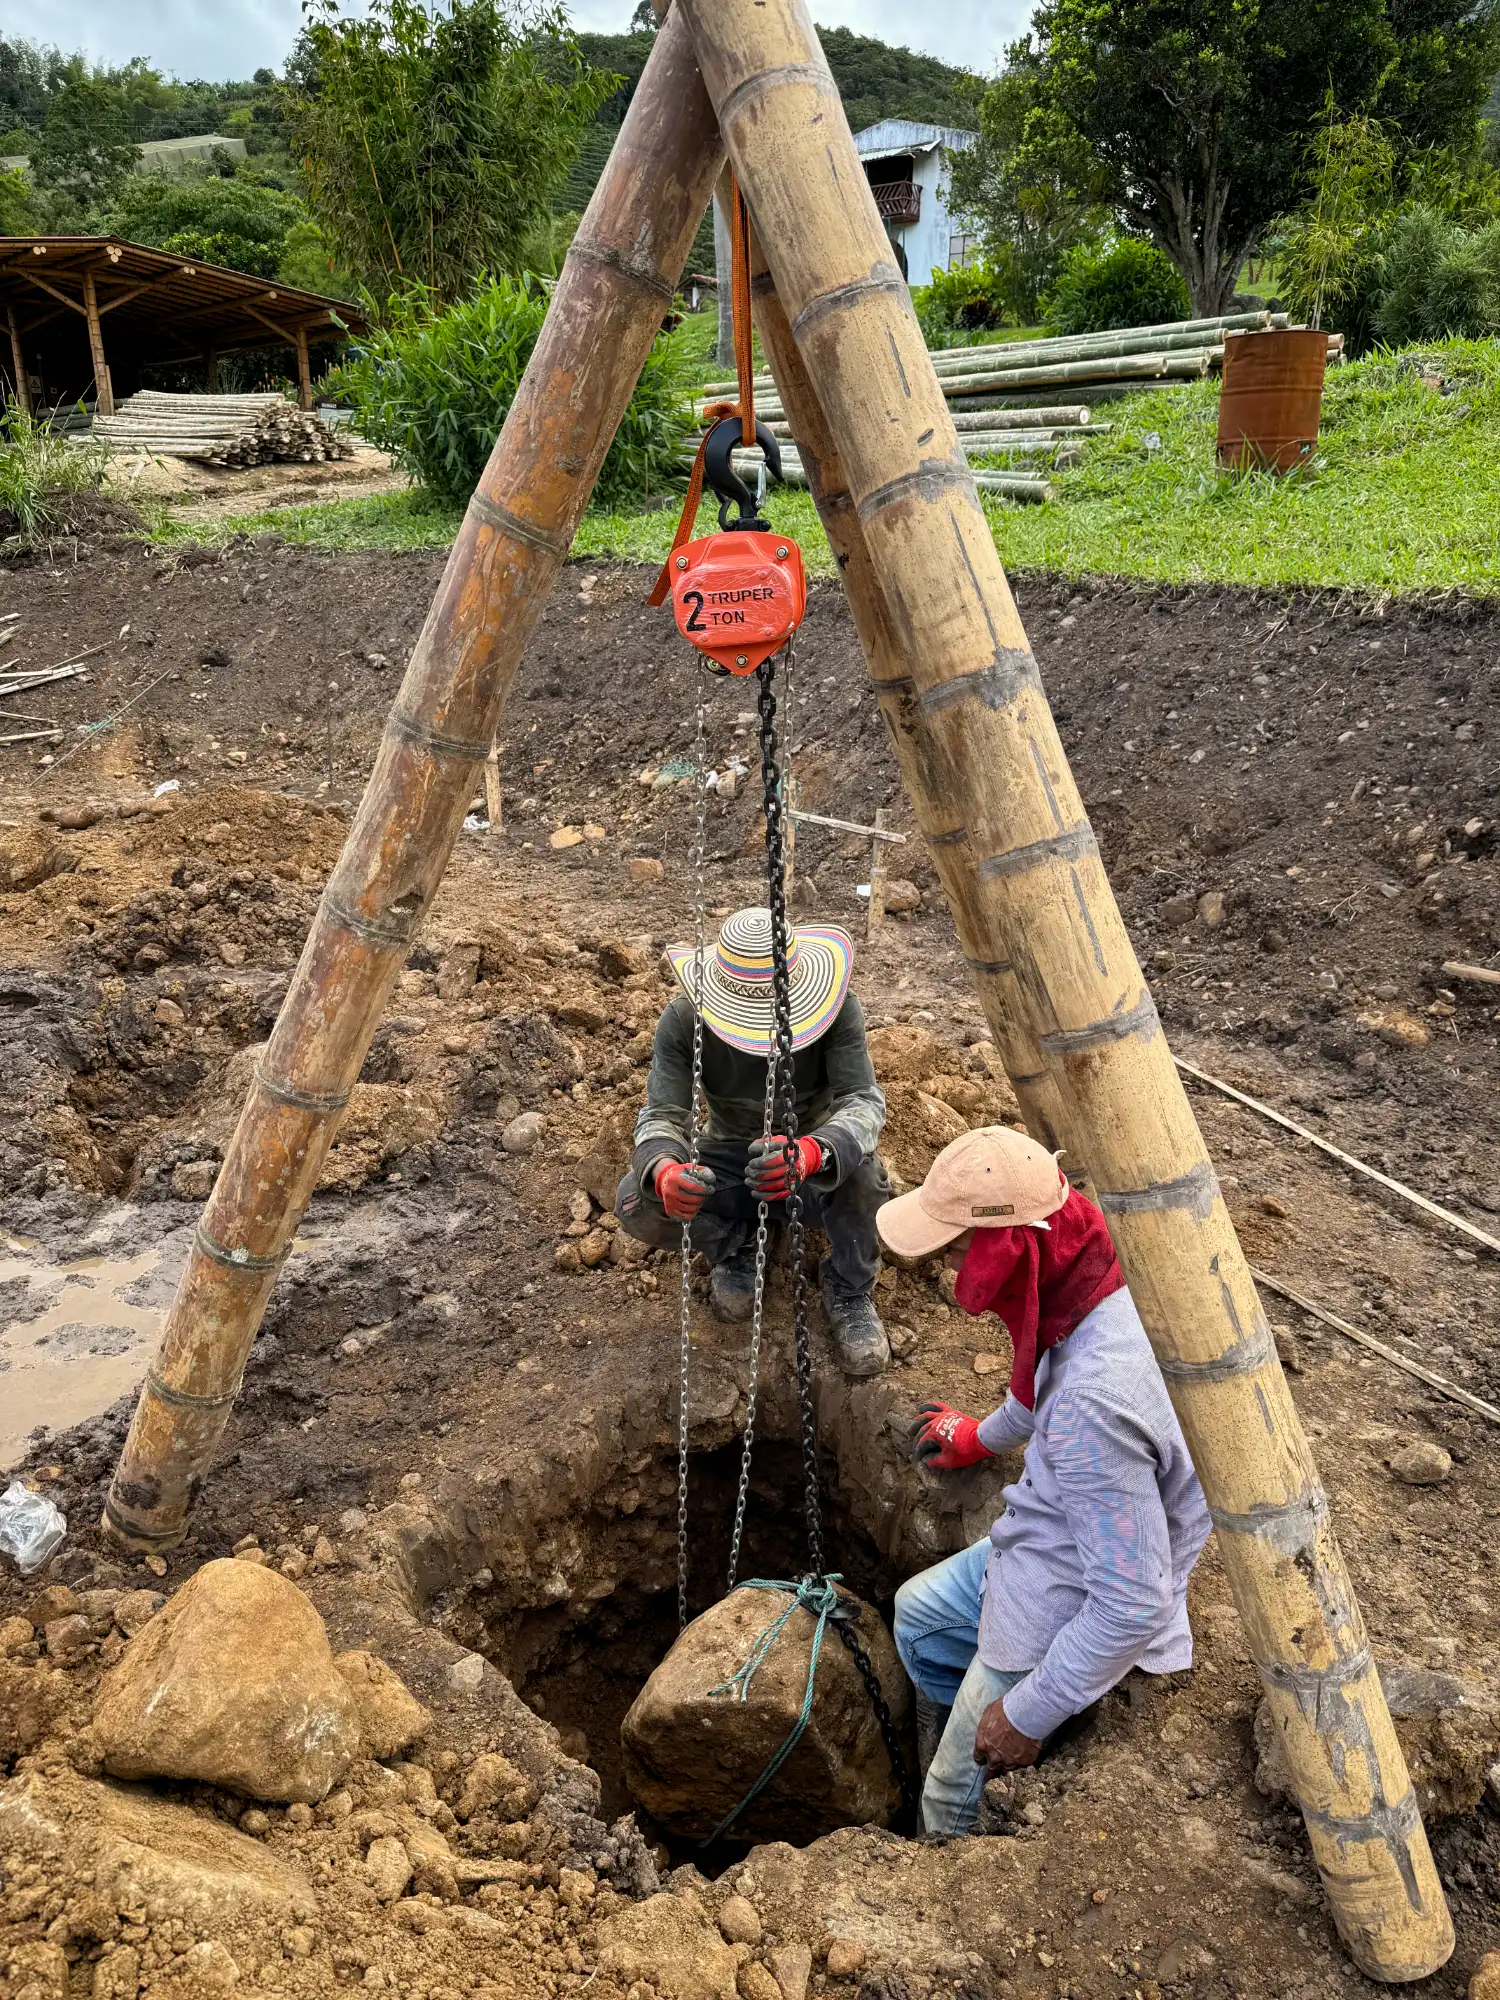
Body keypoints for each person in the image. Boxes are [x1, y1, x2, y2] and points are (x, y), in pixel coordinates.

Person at [877, 1126, 1211, 1835]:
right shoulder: (1087, 1275)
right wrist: (976, 1438)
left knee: (944, 1799)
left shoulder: (1093, 1405)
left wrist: (1026, 1713)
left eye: (957, 1249)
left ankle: (958, 1807)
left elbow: (1131, 1601)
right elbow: (1040, 1383)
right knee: (919, 1616)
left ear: (1010, 1247)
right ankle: (955, 1746)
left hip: (1069, 1582)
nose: (946, 1268)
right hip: (1051, 1526)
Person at [615, 906, 891, 1376]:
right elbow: (663, 1115)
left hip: (812, 1168)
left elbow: (863, 1102)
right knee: (634, 1201)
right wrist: (664, 1170)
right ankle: (735, 1243)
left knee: (866, 1182)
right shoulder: (684, 1021)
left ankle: (849, 1287)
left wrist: (813, 1151)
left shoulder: (840, 1009)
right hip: (729, 1160)